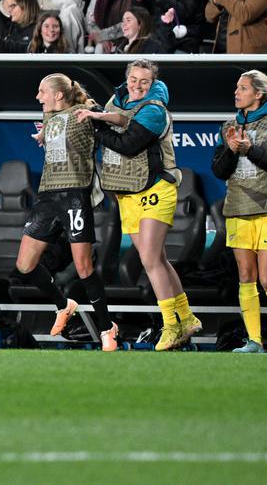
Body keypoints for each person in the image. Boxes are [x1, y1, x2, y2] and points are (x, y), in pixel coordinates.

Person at [77, 60, 201, 351]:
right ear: (126, 79)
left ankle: (171, 326)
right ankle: (186, 317)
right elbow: (119, 119)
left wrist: (96, 125)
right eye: (133, 79)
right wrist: (97, 114)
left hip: (156, 188)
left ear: (153, 82)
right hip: (127, 193)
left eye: (144, 81)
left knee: (150, 260)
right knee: (158, 259)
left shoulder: (155, 110)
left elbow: (128, 144)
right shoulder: (116, 100)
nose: (137, 85)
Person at [16, 74, 118, 350]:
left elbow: (119, 121)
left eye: (42, 91)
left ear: (59, 95)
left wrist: (99, 115)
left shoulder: (84, 112)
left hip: (75, 195)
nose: (38, 97)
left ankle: (107, 327)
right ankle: (64, 305)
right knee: (24, 265)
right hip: (47, 195)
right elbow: (52, 130)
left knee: (84, 267)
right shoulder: (49, 117)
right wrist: (42, 134)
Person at [212, 70, 267, 354]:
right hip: (238, 208)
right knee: (246, 276)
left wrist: (250, 150)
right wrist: (231, 150)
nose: (236, 93)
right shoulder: (229, 126)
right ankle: (255, 341)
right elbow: (218, 170)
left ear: (259, 94)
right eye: (237, 87)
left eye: (243, 88)